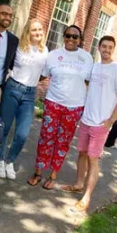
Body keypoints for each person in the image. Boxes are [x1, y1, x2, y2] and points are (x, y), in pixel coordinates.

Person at [61, 36, 117, 212]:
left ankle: (87, 198)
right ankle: (78, 184)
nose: (106, 50)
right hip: (86, 120)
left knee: (93, 158)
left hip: (101, 124)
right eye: (104, 46)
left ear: (113, 50)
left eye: (110, 47)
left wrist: (111, 120)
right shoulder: (94, 67)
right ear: (99, 47)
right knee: (82, 153)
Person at [27, 25, 93, 190]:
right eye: (68, 36)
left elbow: (90, 82)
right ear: (64, 37)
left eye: (75, 37)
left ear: (80, 40)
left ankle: (53, 175)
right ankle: (38, 172)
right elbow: (41, 75)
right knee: (45, 138)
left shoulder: (86, 58)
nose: (71, 39)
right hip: (53, 103)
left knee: (63, 141)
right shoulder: (54, 55)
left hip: (74, 107)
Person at [0, 18, 48, 180]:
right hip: (13, 88)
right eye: (34, 30)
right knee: (4, 128)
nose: (38, 33)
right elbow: (7, 64)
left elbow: (44, 74)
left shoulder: (44, 51)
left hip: (29, 94)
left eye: (40, 29)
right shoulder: (18, 46)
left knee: (22, 134)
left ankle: (9, 161)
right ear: (28, 31)